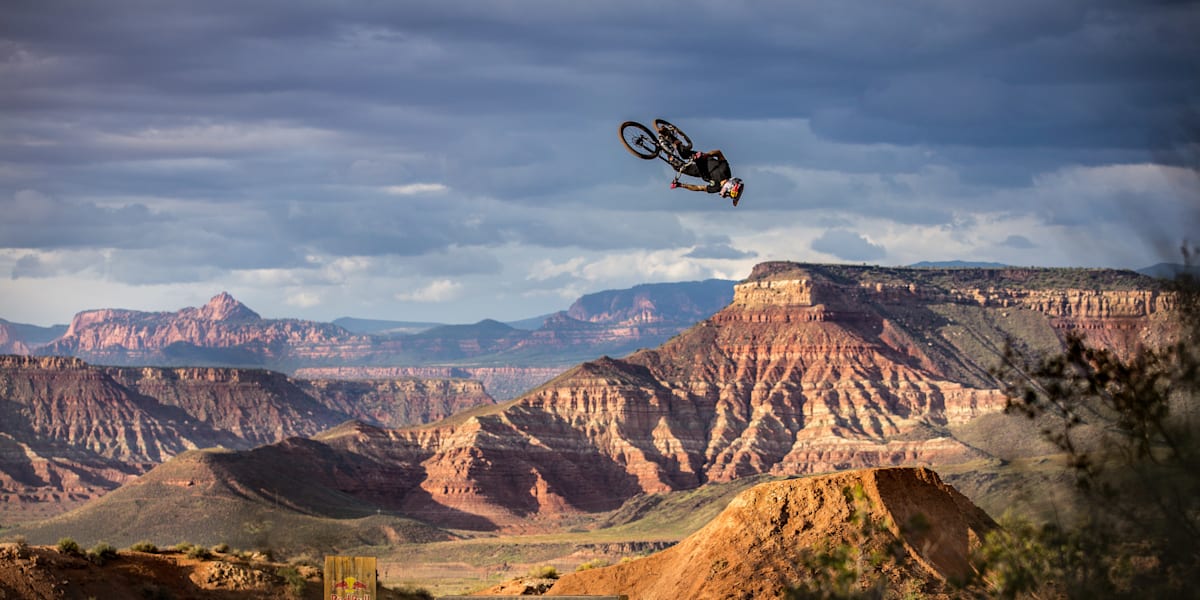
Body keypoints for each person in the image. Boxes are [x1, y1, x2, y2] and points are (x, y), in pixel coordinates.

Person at [669, 150, 745, 206]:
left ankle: (665, 150)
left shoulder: (717, 188)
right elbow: (718, 153)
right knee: (683, 153)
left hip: (699, 171)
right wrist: (706, 155)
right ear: (730, 185)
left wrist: (680, 185)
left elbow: (699, 188)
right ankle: (669, 137)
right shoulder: (725, 170)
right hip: (702, 159)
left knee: (677, 167)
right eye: (728, 194)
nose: (726, 196)